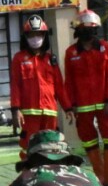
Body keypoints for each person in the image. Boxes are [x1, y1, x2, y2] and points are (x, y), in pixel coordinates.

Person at [64, 9, 108, 186]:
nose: (89, 32)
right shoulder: (71, 53)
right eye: (85, 28)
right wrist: (70, 105)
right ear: (78, 29)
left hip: (104, 103)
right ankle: (100, 177)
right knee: (89, 140)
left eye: (92, 28)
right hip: (82, 105)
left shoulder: (104, 48)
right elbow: (68, 80)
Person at [10, 14, 72, 151]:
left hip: (49, 111)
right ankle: (28, 171)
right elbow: (15, 85)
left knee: (50, 146)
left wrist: (67, 108)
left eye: (38, 34)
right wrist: (15, 110)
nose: (35, 38)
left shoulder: (51, 59)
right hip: (29, 113)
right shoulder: (19, 58)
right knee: (29, 147)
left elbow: (59, 86)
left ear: (44, 36)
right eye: (31, 34)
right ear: (25, 37)